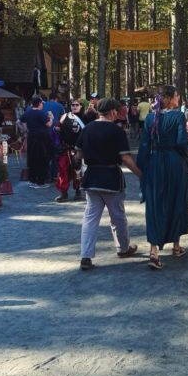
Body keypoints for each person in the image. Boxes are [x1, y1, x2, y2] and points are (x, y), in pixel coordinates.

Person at [78, 98, 140, 269]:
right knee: (118, 217)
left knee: (90, 218)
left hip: (91, 178)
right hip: (111, 178)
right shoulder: (116, 131)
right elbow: (126, 158)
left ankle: (86, 256)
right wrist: (142, 175)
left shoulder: (87, 129)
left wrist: (77, 171)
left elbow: (78, 155)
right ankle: (123, 248)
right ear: (112, 112)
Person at [136, 85, 188, 270]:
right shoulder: (178, 116)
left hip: (155, 163)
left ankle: (154, 252)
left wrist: (143, 168)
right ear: (170, 98)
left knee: (155, 205)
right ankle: (176, 246)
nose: (178, 98)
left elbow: (144, 146)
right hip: (174, 163)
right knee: (177, 201)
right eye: (177, 95)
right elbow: (181, 142)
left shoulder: (150, 118)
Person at [55, 100, 85, 202]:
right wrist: (56, 129)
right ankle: (63, 193)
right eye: (73, 105)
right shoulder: (64, 116)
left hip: (78, 150)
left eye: (77, 105)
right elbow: (57, 127)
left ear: (81, 106)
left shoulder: (85, 117)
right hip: (65, 148)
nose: (75, 106)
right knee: (63, 170)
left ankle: (78, 192)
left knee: (77, 172)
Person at [21, 95, 53, 187]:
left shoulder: (28, 112)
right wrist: (51, 117)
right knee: (42, 158)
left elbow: (19, 122)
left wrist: (25, 130)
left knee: (32, 157)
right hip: (42, 138)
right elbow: (48, 125)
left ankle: (32, 180)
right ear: (39, 104)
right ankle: (41, 181)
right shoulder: (41, 113)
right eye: (42, 104)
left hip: (31, 137)